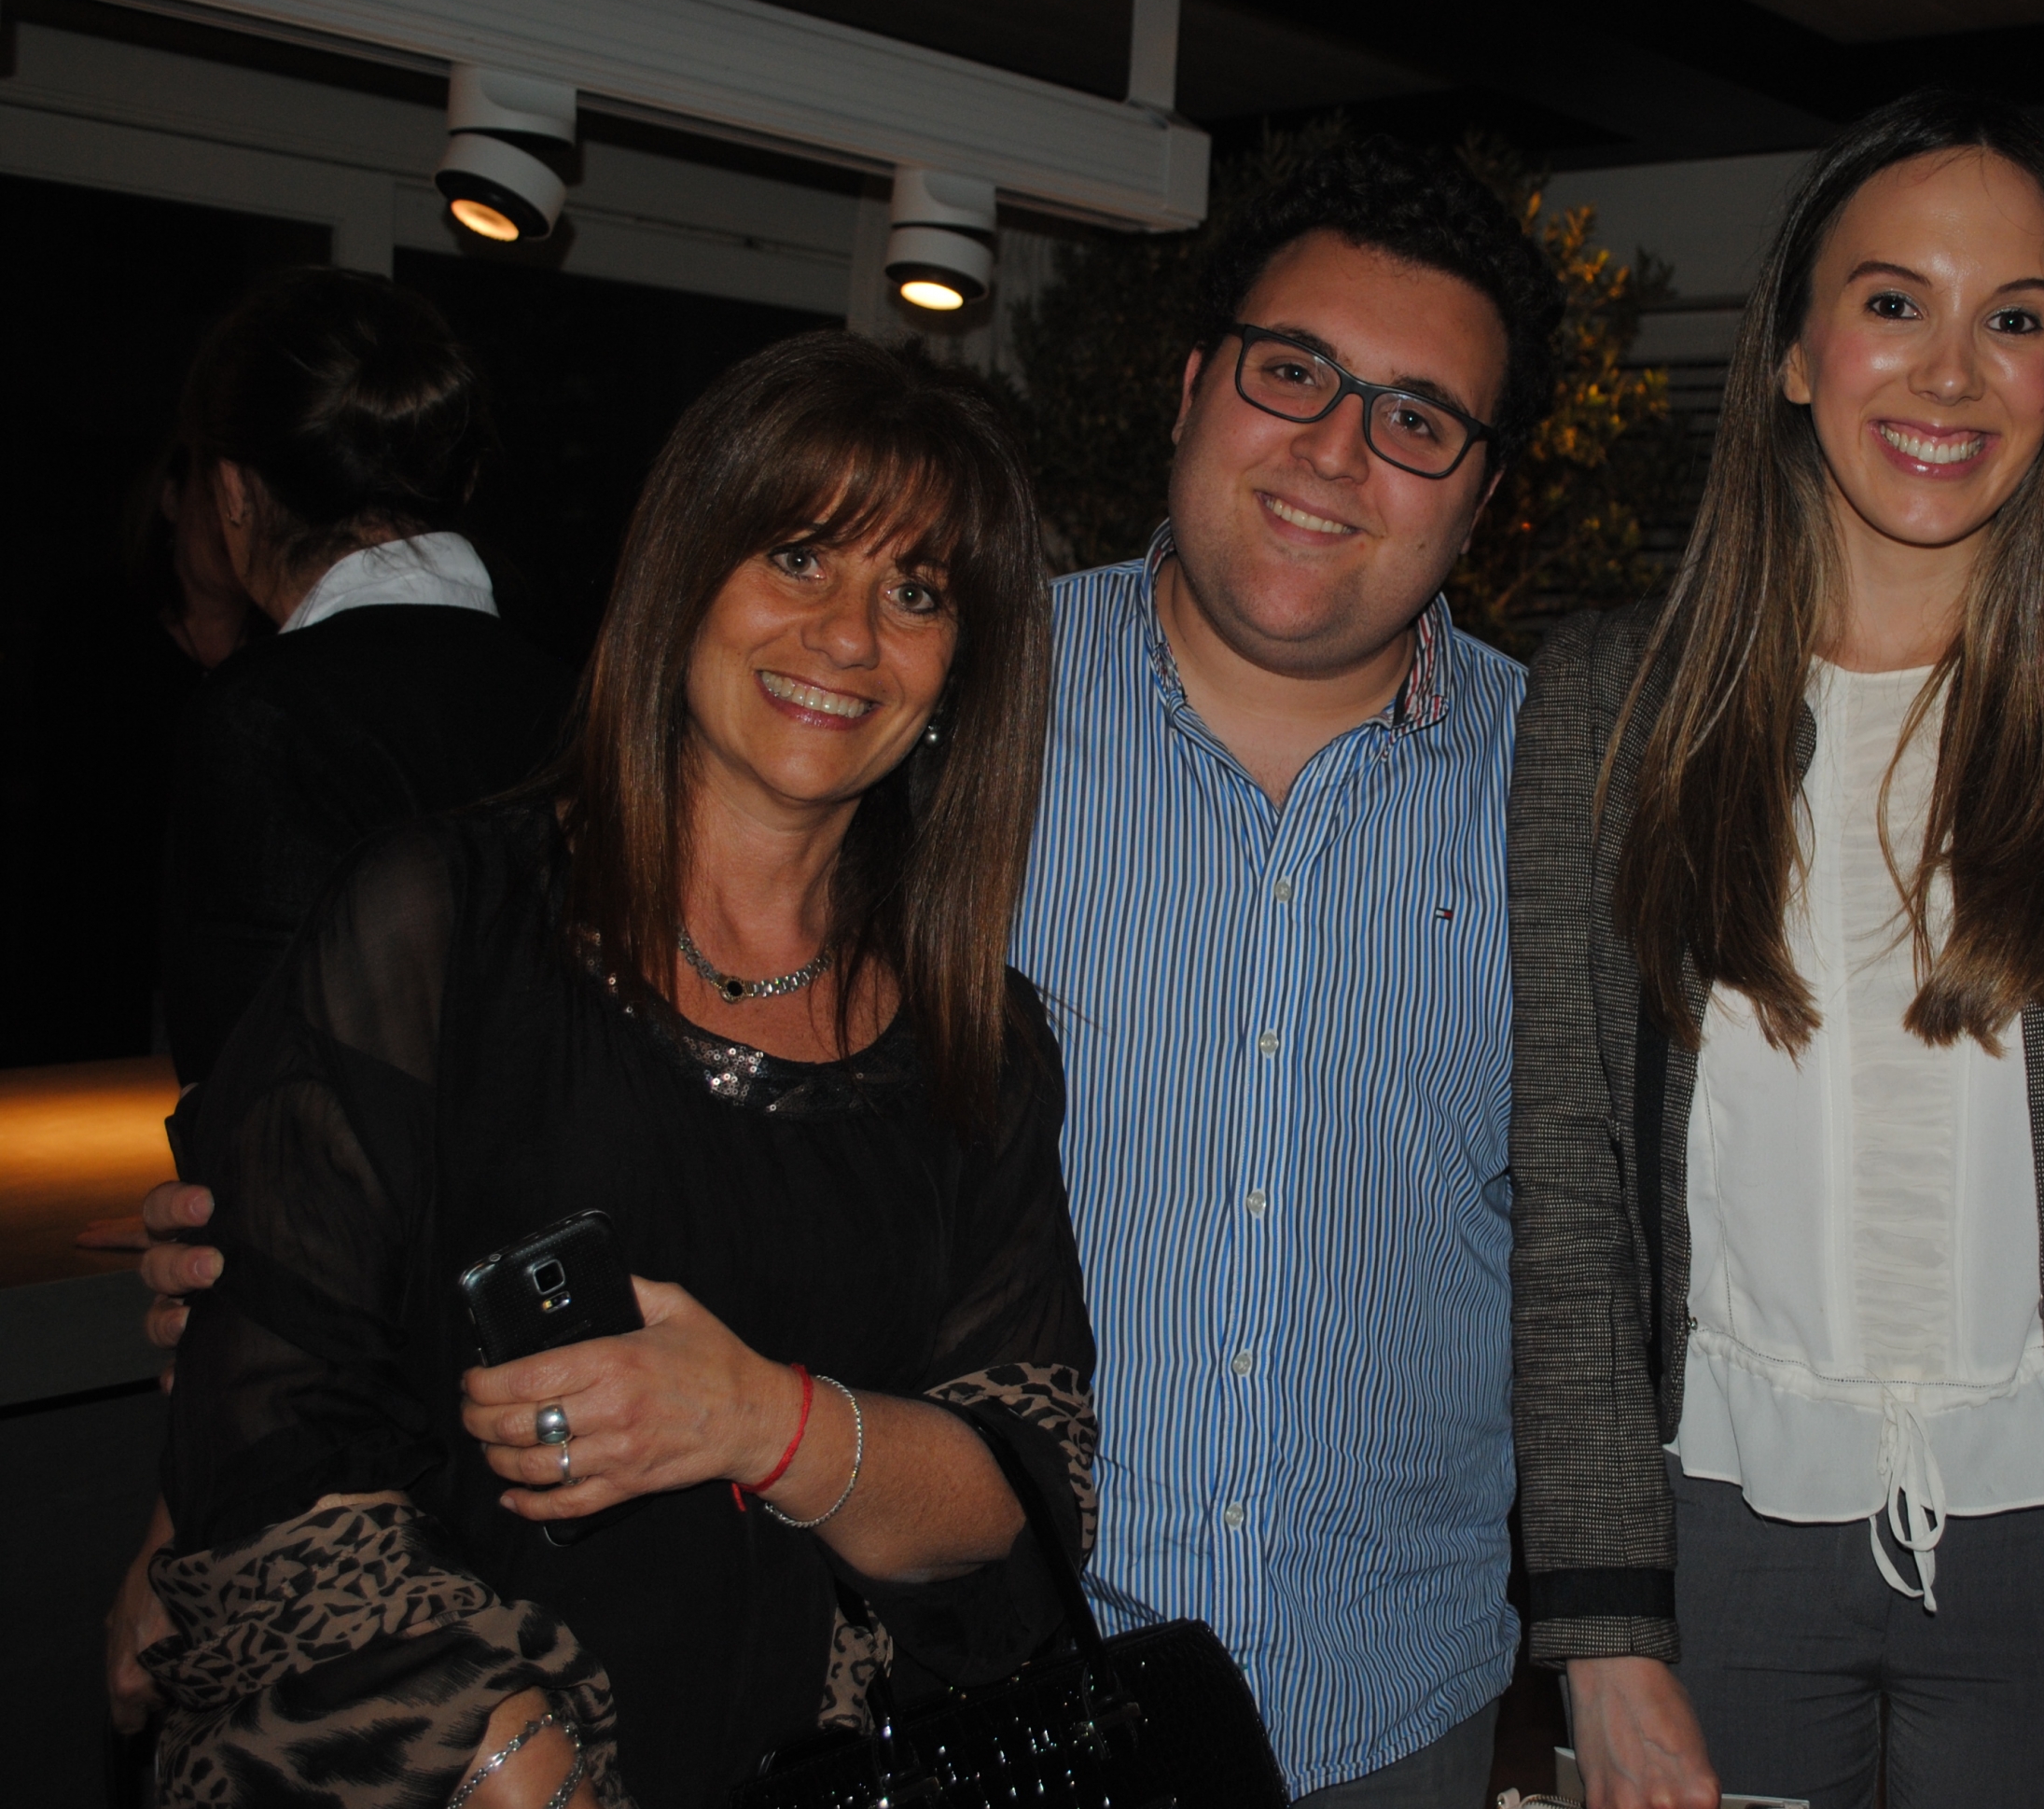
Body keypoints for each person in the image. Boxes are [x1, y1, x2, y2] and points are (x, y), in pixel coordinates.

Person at [135, 136, 1565, 1804]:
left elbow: (1607, 1264)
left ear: (1482, 488)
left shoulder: (1567, 802)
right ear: (1195, 387)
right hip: (883, 1720)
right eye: (1293, 371)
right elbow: (323, 1328)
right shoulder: (937, 730)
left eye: (1417, 417)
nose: (1335, 447)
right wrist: (215, 1482)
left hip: (1374, 1699)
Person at [133, 332, 1093, 1808]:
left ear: (960, 670)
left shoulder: (982, 1043)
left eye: (916, 593)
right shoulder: (442, 925)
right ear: (685, 573)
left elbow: (1018, 1484)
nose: (849, 635)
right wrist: (507, 1759)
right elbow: (271, 1423)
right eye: (797, 556)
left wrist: (756, 1419)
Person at [1509, 90, 2044, 1809]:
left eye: (2013, 320)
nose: (1952, 373)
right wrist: (1598, 1629)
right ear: (1792, 352)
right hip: (1709, 1535)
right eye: (1894, 302)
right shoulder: (1603, 702)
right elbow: (1570, 1203)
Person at [158, 266, 571, 1086]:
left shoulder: (264, 717)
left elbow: (257, 1091)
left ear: (235, 492)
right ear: (464, 478)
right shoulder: (583, 700)